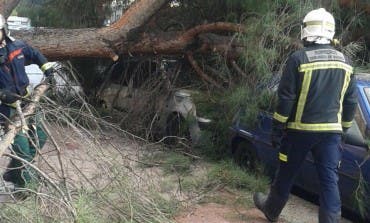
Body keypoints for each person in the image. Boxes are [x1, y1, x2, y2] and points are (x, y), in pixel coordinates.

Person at [253, 8, 357, 223]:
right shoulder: (346, 63)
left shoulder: (298, 59)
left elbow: (286, 99)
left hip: (299, 132)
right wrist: (344, 129)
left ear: (306, 31)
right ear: (330, 32)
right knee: (329, 181)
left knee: (286, 173)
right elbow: (350, 102)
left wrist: (277, 129)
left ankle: (271, 210)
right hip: (331, 134)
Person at [0, 14, 54, 193]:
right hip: (7, 112)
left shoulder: (17, 47)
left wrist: (49, 71)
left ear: (4, 31)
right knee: (22, 149)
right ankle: (25, 188)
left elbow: (36, 54)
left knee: (40, 136)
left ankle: (13, 173)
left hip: (28, 102)